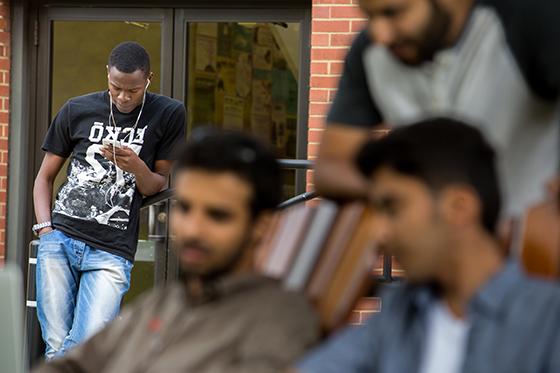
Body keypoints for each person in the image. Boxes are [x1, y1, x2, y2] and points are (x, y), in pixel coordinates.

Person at [33, 128, 320, 373]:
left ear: (262, 225)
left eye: (217, 215)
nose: (192, 230)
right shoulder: (164, 302)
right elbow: (73, 365)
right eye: (184, 208)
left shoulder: (278, 318)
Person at [296, 118, 560, 373]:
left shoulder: (547, 320)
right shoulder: (400, 312)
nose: (379, 232)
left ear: (459, 207)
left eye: (393, 207)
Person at [314, 0, 560, 218]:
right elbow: (331, 167)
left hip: (535, 252)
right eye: (369, 16)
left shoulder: (528, 15)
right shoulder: (370, 52)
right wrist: (406, 193)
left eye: (393, 12)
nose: (380, 34)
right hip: (438, 260)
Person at [32, 41, 186, 358]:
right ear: (107, 75)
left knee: (86, 349)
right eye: (116, 87)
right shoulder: (77, 109)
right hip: (60, 240)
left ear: (149, 79)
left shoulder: (169, 114)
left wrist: (135, 166)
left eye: (133, 90)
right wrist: (46, 231)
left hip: (111, 251)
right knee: (57, 347)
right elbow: (44, 177)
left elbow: (157, 185)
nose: (123, 97)